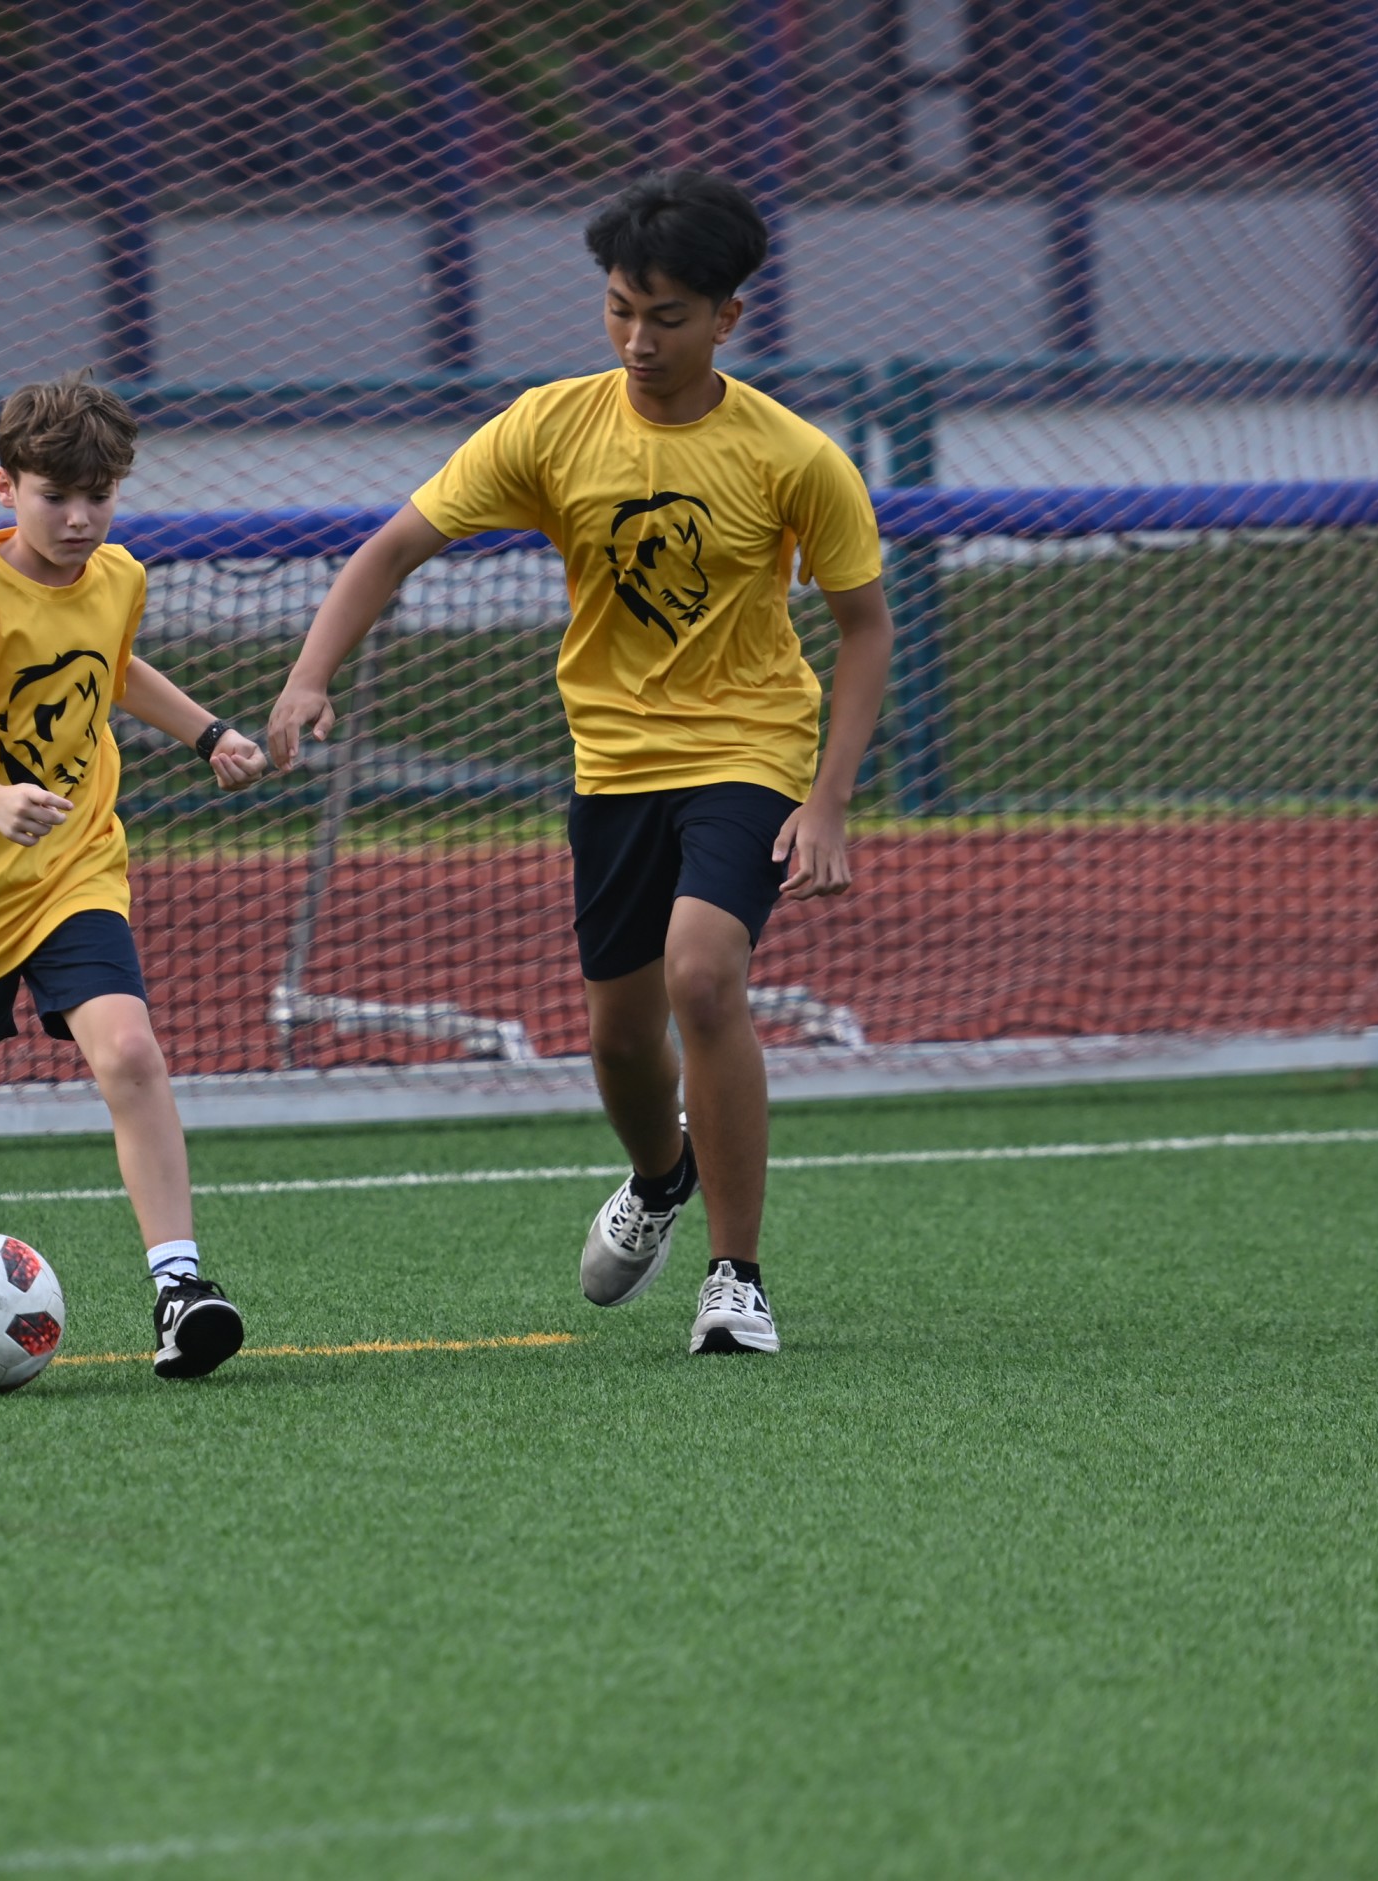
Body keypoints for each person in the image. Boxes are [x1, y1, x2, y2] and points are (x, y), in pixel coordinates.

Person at [264, 171, 893, 1357]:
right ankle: (659, 1175)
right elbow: (391, 548)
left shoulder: (793, 457)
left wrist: (826, 802)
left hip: (747, 748)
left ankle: (735, 1278)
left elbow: (863, 629)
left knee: (701, 977)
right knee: (617, 1039)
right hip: (610, 768)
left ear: (726, 318)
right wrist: (308, 677)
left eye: (666, 317)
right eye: (618, 310)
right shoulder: (549, 427)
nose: (637, 340)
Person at [0, 375, 269, 1380]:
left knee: (128, 1051)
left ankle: (179, 1288)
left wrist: (207, 732)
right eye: (55, 496)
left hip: (72, 865)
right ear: (5, 488)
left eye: (99, 495)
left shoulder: (117, 575)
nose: (79, 518)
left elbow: (114, 668)